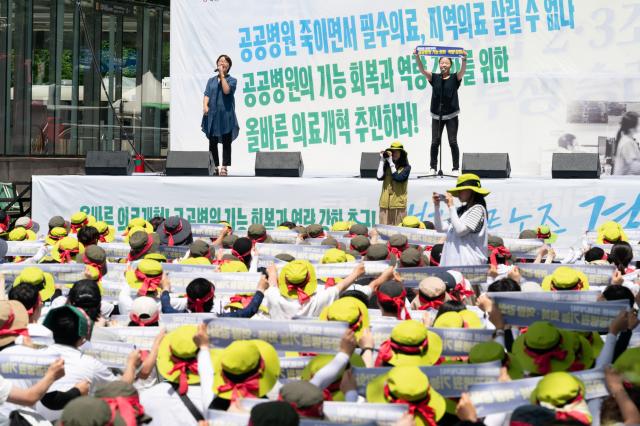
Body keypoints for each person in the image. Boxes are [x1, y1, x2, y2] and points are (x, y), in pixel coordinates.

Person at [414, 49, 467, 174]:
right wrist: (417, 57)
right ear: (439, 64)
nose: (444, 65)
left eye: (446, 63)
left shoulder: (455, 77)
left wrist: (464, 59)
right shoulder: (435, 77)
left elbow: (463, 70)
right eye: (442, 63)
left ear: (450, 65)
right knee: (435, 142)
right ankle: (433, 167)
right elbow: (422, 70)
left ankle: (455, 168)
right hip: (437, 115)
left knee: (453, 141)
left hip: (452, 115)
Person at [433, 173, 489, 266]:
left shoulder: (478, 209)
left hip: (469, 266)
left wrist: (451, 206)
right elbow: (440, 228)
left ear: (471, 191)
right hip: (452, 264)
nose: (458, 193)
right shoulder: (459, 211)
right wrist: (436, 206)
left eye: (461, 190)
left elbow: (460, 231)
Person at [202, 54, 239, 176]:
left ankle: (224, 167)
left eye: (224, 61)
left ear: (228, 66)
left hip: (226, 115)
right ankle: (215, 166)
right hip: (212, 114)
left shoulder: (232, 80)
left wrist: (222, 75)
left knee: (226, 141)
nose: (221, 62)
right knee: (212, 141)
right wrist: (205, 105)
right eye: (220, 60)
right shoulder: (211, 80)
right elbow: (207, 94)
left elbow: (226, 90)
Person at [377, 142, 411, 225]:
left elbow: (398, 178)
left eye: (397, 152)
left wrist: (391, 163)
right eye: (393, 151)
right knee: (383, 230)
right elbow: (379, 176)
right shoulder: (387, 165)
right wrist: (382, 160)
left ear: (401, 154)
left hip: (398, 204)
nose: (394, 154)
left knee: (398, 230)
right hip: (385, 203)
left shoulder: (406, 167)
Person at [613, 111, 640, 175]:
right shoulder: (627, 143)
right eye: (638, 124)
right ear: (631, 128)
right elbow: (634, 167)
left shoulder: (628, 140)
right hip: (624, 181)